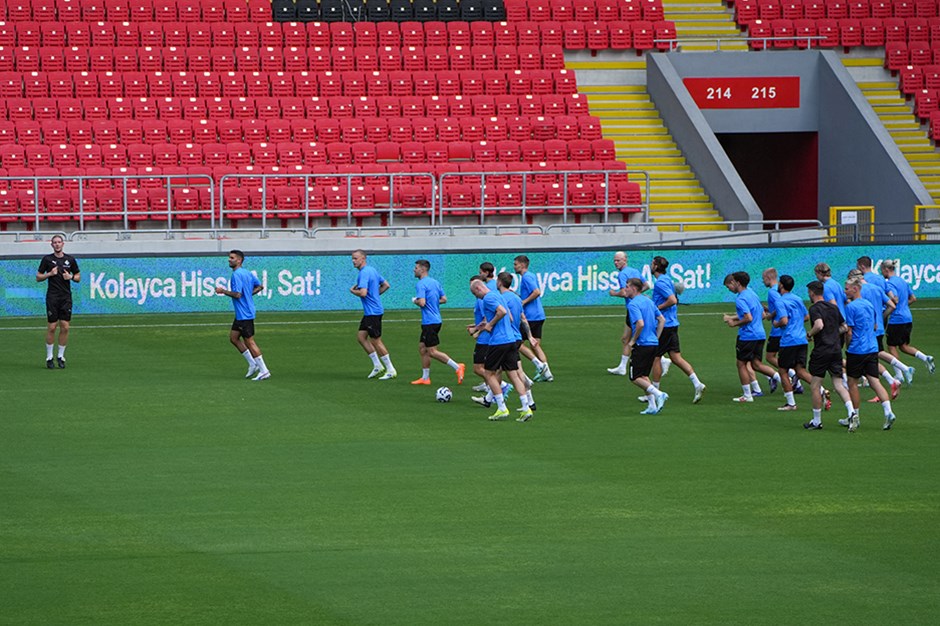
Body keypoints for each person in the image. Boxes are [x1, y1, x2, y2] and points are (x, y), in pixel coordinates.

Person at [468, 277, 531, 421]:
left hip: (498, 341)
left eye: (474, 294)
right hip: (510, 340)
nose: (476, 297)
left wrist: (490, 325)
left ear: (478, 289)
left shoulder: (488, 298)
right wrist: (480, 328)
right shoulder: (498, 295)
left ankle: (502, 408)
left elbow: (501, 312)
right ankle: (526, 407)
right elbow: (509, 317)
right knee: (513, 375)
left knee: (489, 374)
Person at [648, 256, 706, 403]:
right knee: (676, 358)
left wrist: (656, 309)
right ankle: (697, 383)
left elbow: (672, 300)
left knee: (655, 358)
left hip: (664, 326)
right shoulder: (666, 279)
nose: (650, 265)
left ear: (655, 266)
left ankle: (655, 392)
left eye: (652, 263)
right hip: (672, 324)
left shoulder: (660, 282)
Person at [843, 275, 896, 431]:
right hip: (872, 347)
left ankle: (855, 417)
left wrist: (848, 346)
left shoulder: (851, 307)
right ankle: (888, 411)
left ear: (855, 288)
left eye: (847, 288)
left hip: (857, 349)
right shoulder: (869, 304)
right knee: (875, 381)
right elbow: (874, 326)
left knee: (852, 382)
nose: (845, 291)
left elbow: (849, 332)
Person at [804, 281, 855, 430]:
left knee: (815, 385)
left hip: (821, 350)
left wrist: (810, 334)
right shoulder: (833, 307)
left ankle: (817, 420)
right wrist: (832, 333)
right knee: (839, 384)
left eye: (809, 292)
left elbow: (819, 325)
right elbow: (844, 327)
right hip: (835, 349)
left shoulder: (814, 308)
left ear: (812, 292)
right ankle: (851, 412)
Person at [722, 271, 779, 402]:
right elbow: (761, 313)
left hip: (747, 336)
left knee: (741, 364)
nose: (729, 289)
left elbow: (748, 317)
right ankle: (784, 379)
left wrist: (734, 323)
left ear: (736, 282)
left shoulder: (741, 299)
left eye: (729, 285)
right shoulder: (752, 293)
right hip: (760, 334)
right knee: (756, 364)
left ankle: (747, 395)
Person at [214, 249, 271, 381]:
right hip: (242, 313)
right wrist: (249, 295)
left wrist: (222, 291)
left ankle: (264, 370)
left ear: (239, 260)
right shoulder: (247, 273)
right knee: (233, 338)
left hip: (245, 314)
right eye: (229, 257)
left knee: (249, 342)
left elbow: (237, 294)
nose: (229, 259)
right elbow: (260, 286)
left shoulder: (237, 275)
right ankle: (252, 363)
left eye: (232, 258)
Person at [849, 268, 904, 399]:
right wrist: (882, 317)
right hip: (877, 327)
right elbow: (892, 304)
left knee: (871, 358)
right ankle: (895, 377)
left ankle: (898, 375)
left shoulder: (858, 298)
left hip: (862, 334)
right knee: (874, 357)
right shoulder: (876, 288)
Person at [410, 260, 465, 386]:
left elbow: (422, 302)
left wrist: (415, 300)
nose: (414, 270)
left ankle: (457, 367)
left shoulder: (421, 284)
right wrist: (432, 303)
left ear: (423, 269)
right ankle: (425, 378)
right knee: (422, 348)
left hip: (430, 321)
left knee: (432, 351)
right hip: (435, 320)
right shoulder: (435, 282)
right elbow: (444, 299)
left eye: (416, 267)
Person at [881, 258, 935, 375]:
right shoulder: (902, 281)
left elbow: (895, 299)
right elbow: (913, 298)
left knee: (891, 346)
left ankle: (900, 374)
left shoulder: (889, 283)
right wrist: (903, 306)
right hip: (907, 317)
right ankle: (925, 358)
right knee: (904, 346)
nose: (881, 273)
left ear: (886, 269)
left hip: (897, 319)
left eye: (882, 270)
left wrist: (888, 309)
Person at [624, 278, 669, 415]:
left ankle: (659, 394)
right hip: (653, 344)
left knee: (635, 377)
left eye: (627, 287)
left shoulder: (633, 304)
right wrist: (656, 337)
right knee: (644, 375)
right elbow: (662, 319)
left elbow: (640, 324)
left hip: (642, 345)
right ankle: (652, 406)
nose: (625, 289)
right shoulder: (649, 301)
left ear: (634, 288)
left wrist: (632, 341)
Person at [350, 249, 397, 380]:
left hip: (373, 313)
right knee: (361, 337)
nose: (353, 261)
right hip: (371, 311)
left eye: (356, 258)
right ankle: (377, 365)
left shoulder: (364, 273)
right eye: (352, 259)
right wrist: (375, 296)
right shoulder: (372, 270)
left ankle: (390, 369)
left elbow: (363, 293)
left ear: (363, 258)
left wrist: (353, 291)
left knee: (375, 340)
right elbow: (386, 285)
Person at [497, 271, 537, 421]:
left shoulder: (501, 298)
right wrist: (530, 336)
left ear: (500, 282)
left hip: (505, 339)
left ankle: (498, 401)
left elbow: (509, 316)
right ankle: (529, 403)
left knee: (499, 372)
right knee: (515, 372)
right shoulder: (516, 298)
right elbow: (523, 319)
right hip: (517, 338)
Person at [36, 234, 80, 369]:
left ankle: (61, 356)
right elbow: (38, 277)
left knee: (65, 327)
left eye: (59, 242)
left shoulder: (70, 260)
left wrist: (70, 277)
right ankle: (49, 357)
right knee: (52, 327)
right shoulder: (47, 259)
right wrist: (49, 274)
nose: (57, 244)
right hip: (53, 297)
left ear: (63, 244)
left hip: (66, 297)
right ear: (52, 245)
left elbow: (78, 277)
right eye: (54, 242)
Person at [772, 275, 812, 411]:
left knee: (783, 370)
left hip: (789, 340)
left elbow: (783, 321)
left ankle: (791, 403)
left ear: (781, 285)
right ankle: (822, 391)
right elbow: (806, 316)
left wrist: (776, 323)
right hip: (801, 338)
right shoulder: (797, 299)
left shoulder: (780, 301)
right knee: (800, 370)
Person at [607, 251, 648, 375]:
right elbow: (646, 285)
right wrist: (638, 295)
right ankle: (622, 366)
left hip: (633, 309)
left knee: (635, 338)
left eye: (618, 260)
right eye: (614, 260)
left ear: (625, 260)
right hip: (639, 307)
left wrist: (614, 293)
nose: (616, 262)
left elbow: (624, 292)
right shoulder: (634, 271)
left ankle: (661, 359)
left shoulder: (623, 274)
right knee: (626, 338)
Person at [514, 255, 554, 382]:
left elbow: (536, 292)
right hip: (538, 315)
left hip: (530, 316)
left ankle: (540, 365)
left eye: (515, 264)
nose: (514, 266)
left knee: (517, 344)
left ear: (522, 264)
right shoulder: (529, 276)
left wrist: (524, 302)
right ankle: (547, 373)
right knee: (535, 345)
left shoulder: (526, 277)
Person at [761, 268, 787, 393]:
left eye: (763, 278)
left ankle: (791, 376)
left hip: (777, 330)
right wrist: (768, 309)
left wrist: (770, 316)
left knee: (770, 357)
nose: (762, 281)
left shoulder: (772, 291)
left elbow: (780, 305)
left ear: (768, 277)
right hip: (782, 330)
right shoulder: (778, 289)